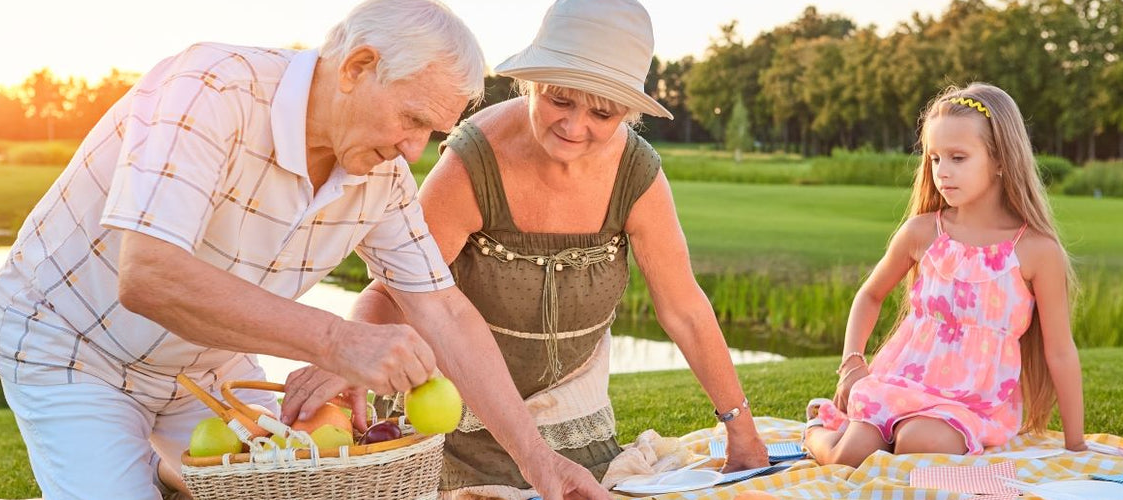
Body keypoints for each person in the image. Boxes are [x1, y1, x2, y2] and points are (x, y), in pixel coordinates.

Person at [0, 1, 608, 498]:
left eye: (433, 132)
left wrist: (540, 463)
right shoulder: (211, 89)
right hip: (71, 345)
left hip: (204, 368)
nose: (414, 150)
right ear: (357, 67)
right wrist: (338, 343)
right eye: (412, 120)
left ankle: (164, 469)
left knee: (286, 488)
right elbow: (148, 275)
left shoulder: (379, 177)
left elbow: (443, 310)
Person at [280, 0, 769, 497]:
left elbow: (683, 307)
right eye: (559, 100)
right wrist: (347, 359)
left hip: (571, 421)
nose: (575, 127)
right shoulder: (473, 163)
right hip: (452, 420)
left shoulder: (637, 174)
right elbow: (392, 293)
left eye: (602, 113)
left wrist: (742, 431)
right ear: (530, 83)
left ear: (628, 112)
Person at [802, 83, 1087, 467]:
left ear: (1001, 159)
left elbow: (1060, 351)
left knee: (920, 444)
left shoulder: (1035, 250)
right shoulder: (922, 232)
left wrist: (1076, 444)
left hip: (970, 401)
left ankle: (891, 438)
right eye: (934, 158)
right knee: (847, 455)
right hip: (903, 380)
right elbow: (870, 295)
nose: (942, 172)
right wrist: (852, 362)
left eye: (957, 158)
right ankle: (816, 432)